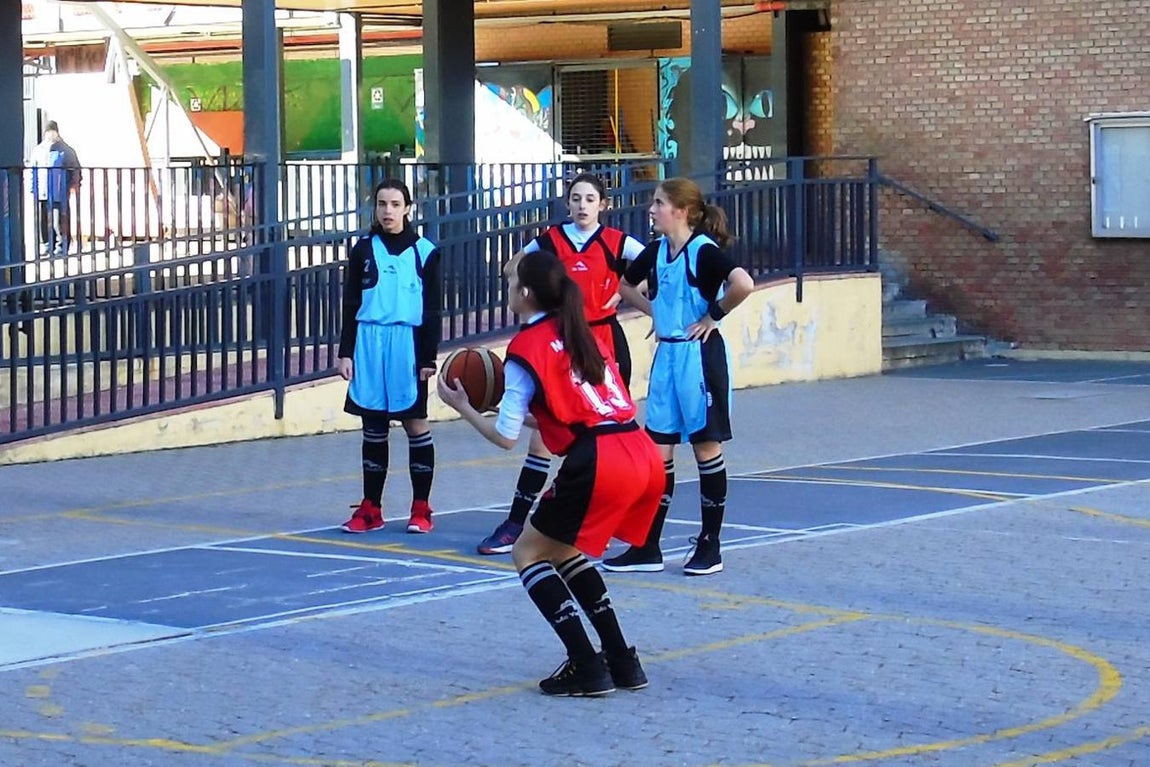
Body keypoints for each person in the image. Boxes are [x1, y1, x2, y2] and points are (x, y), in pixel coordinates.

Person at [438, 249, 664, 697]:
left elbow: (505, 439)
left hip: (600, 460)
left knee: (527, 552)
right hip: (637, 449)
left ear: (525, 293)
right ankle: (622, 659)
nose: (506, 291)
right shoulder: (582, 332)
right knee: (562, 550)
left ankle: (586, 663)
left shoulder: (525, 348)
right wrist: (509, 408)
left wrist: (462, 406)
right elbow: (571, 414)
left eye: (510, 284)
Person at [476, 172, 647, 556]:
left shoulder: (618, 242)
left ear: (604, 205)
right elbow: (512, 268)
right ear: (567, 204)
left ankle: (587, 521)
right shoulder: (551, 240)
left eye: (590, 199)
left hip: (602, 341)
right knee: (544, 438)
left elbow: (653, 269)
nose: (582, 205)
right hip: (560, 339)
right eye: (576, 198)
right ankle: (518, 522)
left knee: (603, 436)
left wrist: (636, 296)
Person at [601, 177, 754, 577]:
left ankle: (710, 545)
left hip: (698, 357)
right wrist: (657, 313)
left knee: (705, 448)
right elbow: (623, 285)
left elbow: (743, 284)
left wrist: (712, 316)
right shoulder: (656, 251)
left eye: (658, 203)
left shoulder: (703, 251)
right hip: (667, 355)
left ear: (681, 211)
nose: (651, 210)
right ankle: (647, 545)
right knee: (657, 455)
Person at [337, 179, 442, 534]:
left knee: (415, 423)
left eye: (395, 204)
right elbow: (350, 303)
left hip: (406, 342)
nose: (388, 211)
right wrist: (345, 351)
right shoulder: (363, 249)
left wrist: (428, 357)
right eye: (382, 204)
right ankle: (371, 508)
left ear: (408, 208)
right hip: (368, 340)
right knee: (373, 426)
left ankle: (421, 508)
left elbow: (432, 309)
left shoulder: (425, 252)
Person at [29, 121, 81, 256]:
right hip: (43, 192)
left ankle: (61, 246)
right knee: (43, 220)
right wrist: (32, 188)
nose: (51, 135)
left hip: (59, 192)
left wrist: (73, 185)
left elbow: (75, 169)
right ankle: (47, 245)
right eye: (48, 132)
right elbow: (32, 170)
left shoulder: (66, 151)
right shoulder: (38, 151)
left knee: (59, 221)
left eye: (53, 132)